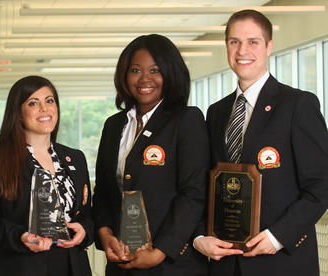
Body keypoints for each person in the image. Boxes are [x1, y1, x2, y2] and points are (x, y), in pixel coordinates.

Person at [194, 9, 328, 276]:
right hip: (225, 264)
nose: (243, 50)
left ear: (269, 46)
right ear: (227, 47)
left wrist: (278, 236)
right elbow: (204, 184)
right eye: (234, 41)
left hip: (281, 262)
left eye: (253, 41)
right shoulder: (216, 112)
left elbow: (321, 185)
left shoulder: (297, 104)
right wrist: (200, 237)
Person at [92, 34, 209, 275]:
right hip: (122, 263)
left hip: (172, 264)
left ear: (171, 73)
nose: (145, 79)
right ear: (124, 74)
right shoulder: (114, 126)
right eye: (136, 70)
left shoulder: (186, 120)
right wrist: (104, 234)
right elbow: (103, 191)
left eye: (155, 70)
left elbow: (193, 194)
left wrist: (160, 251)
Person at [0, 75, 93, 276]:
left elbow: (87, 213)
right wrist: (20, 236)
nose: (44, 109)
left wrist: (84, 230)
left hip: (72, 265)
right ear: (19, 114)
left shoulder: (75, 158)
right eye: (33, 103)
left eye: (49, 101)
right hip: (21, 267)